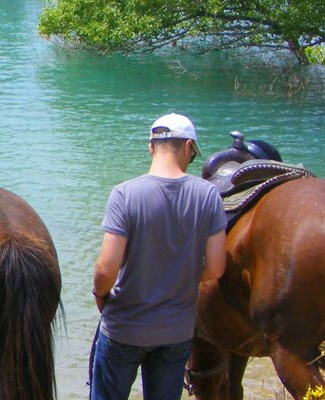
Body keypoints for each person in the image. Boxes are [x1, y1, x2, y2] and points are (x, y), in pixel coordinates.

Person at [89, 113, 226, 400]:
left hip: (124, 328)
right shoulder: (209, 196)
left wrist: (101, 294)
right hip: (175, 332)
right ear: (189, 147)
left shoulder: (125, 195)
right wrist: (183, 277)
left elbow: (106, 269)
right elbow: (216, 267)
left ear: (151, 147)